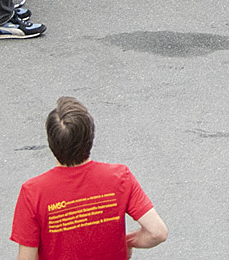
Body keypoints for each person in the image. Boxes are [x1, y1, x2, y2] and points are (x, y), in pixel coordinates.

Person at [9, 98, 167, 254]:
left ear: (51, 142)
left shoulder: (33, 192)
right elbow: (157, 232)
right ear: (90, 136)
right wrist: (127, 242)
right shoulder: (120, 177)